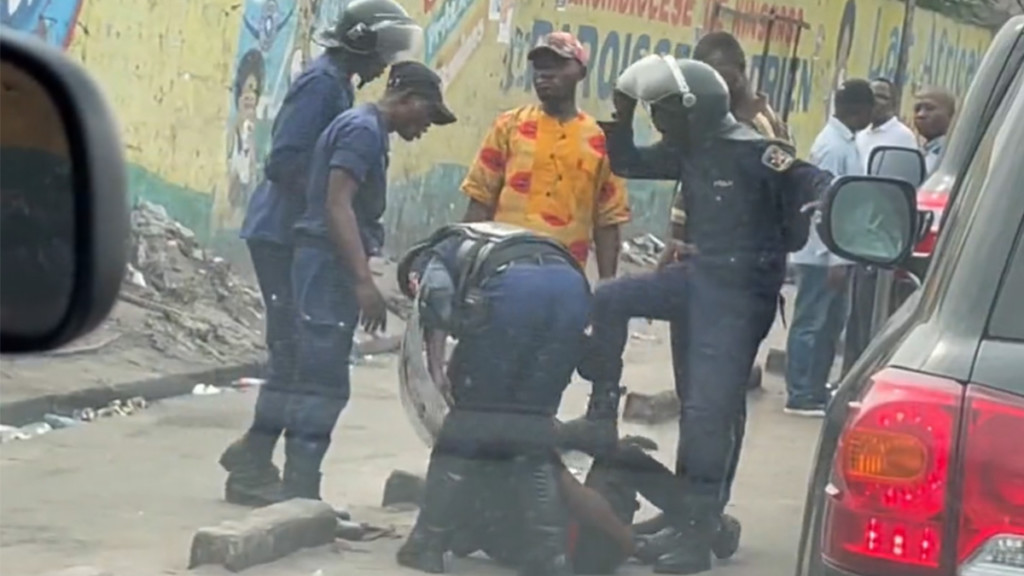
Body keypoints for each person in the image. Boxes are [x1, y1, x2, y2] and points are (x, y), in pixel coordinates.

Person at [581, 56, 830, 574]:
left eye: (663, 113)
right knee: (610, 300)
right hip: (697, 279)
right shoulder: (690, 148)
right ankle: (604, 408)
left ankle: (695, 534)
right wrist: (620, 110)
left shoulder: (758, 152)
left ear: (695, 111)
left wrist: (829, 203)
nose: (659, 125)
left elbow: (813, 180)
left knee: (706, 415)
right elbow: (627, 161)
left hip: (740, 292)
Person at [219, 0, 424, 507]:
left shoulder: (339, 82)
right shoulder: (323, 84)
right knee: (296, 355)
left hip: (297, 232)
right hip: (283, 232)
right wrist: (328, 207)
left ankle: (254, 453)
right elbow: (284, 159)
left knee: (294, 354)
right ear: (361, 44)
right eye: (382, 52)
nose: (383, 66)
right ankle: (253, 466)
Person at [279, 61, 456, 501]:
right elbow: (337, 204)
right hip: (325, 263)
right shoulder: (362, 131)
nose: (425, 127)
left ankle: (300, 491)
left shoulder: (366, 129)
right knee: (324, 381)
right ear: (408, 100)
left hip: (325, 260)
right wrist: (362, 282)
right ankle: (300, 494)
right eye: (427, 116)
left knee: (322, 379)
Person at [393, 222, 591, 576]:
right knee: (531, 428)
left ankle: (427, 543)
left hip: (515, 290)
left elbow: (436, 298)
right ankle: (551, 556)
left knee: (467, 426)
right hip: (572, 289)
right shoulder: (485, 237)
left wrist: (438, 369)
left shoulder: (431, 257)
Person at [460, 31, 630, 277]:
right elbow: (480, 200)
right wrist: (466, 266)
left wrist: (607, 286)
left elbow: (608, 222)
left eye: (558, 65)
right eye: (539, 67)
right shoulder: (508, 126)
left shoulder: (600, 141)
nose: (544, 74)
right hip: (502, 267)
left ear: (581, 72)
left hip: (565, 273)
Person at [785, 79, 875, 416]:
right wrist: (836, 257)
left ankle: (814, 387)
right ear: (859, 110)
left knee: (830, 322)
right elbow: (826, 205)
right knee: (811, 322)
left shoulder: (845, 141)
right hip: (821, 254)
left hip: (835, 251)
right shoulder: (834, 147)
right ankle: (800, 392)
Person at [842, 77, 918, 375]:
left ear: (895, 103)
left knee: (872, 314)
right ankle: (848, 374)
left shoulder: (902, 138)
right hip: (852, 235)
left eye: (884, 98)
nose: (877, 103)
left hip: (879, 238)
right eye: (873, 97)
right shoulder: (859, 136)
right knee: (853, 317)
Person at [693, 30, 789, 141]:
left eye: (723, 76)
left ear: (740, 69)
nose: (718, 86)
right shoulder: (708, 118)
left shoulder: (762, 124)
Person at [914, 86, 956, 175]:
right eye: (917, 109)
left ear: (951, 114)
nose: (920, 115)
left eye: (929, 108)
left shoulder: (954, 152)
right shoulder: (923, 151)